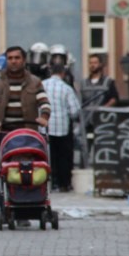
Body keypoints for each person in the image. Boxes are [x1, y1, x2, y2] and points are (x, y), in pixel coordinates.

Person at [0, 45, 51, 134]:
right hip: (3, 133)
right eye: (10, 58)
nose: (13, 61)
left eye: (17, 58)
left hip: (28, 132)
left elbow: (45, 104)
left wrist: (44, 117)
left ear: (24, 60)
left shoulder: (35, 81)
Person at [42, 62, 82, 192]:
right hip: (62, 129)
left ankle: (50, 183)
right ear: (63, 74)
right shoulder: (66, 88)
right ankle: (63, 184)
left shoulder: (42, 85)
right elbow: (75, 110)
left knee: (48, 157)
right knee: (63, 158)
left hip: (45, 128)